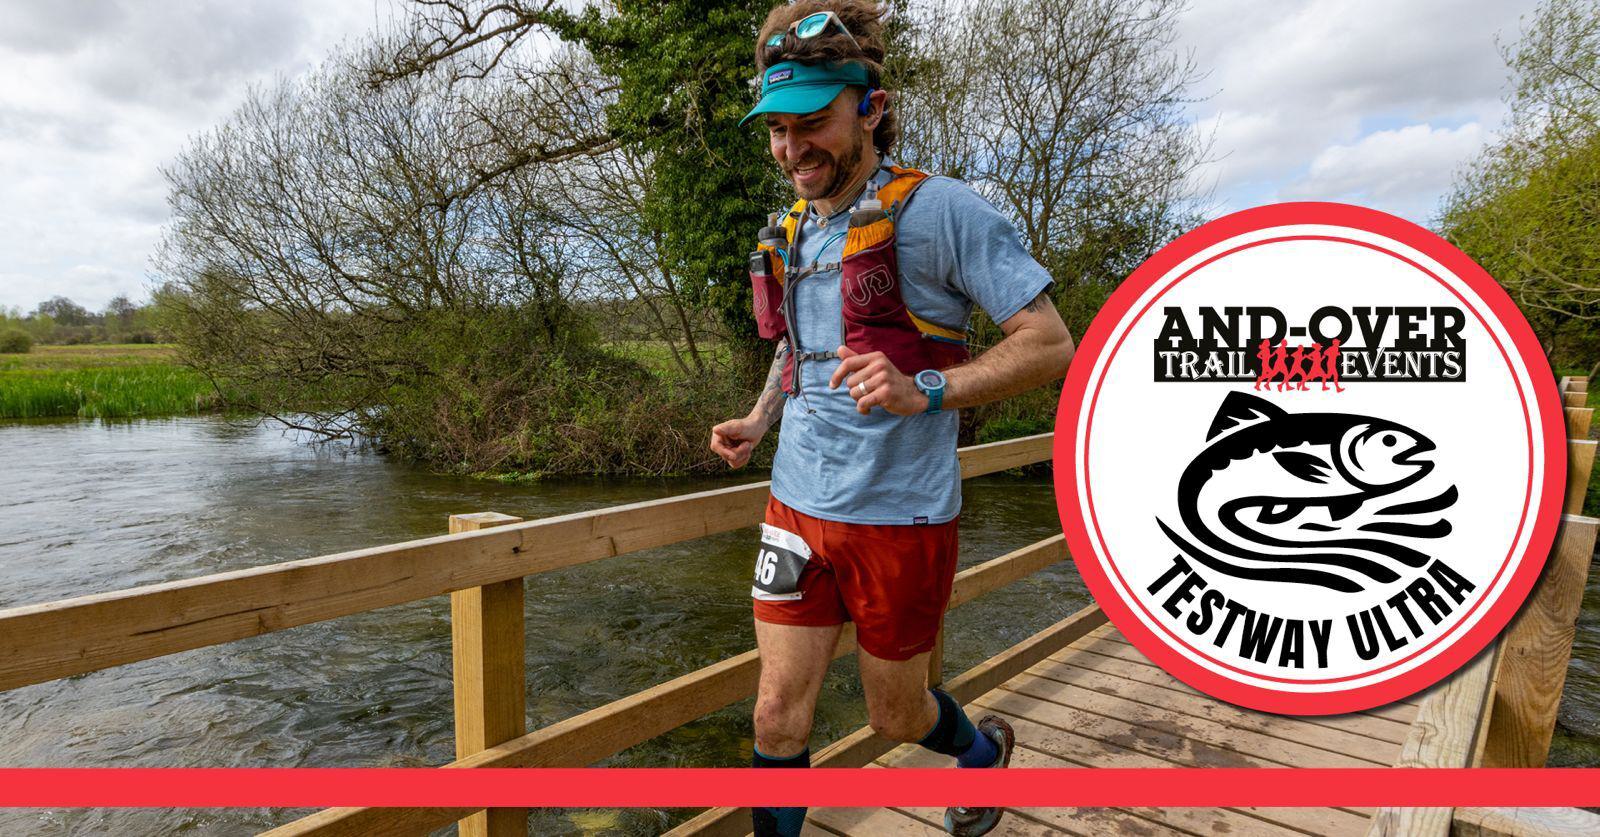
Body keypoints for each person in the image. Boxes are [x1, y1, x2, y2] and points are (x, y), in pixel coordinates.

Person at [708, 2, 1075, 835]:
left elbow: (1051, 343)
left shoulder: (943, 212)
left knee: (893, 715)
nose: (792, 150)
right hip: (797, 507)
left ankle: (980, 756)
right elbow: (803, 348)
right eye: (777, 130)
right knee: (775, 717)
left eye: (813, 124)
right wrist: (762, 417)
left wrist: (929, 390)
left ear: (869, 109)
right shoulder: (795, 227)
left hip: (900, 518)